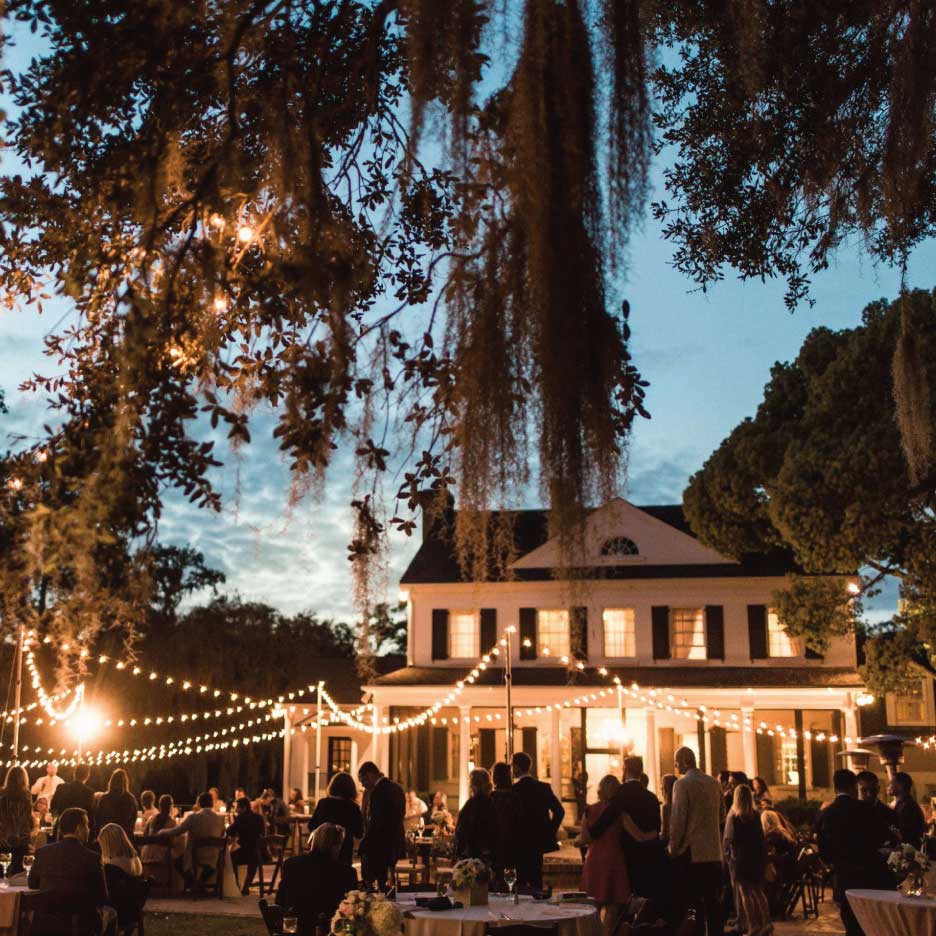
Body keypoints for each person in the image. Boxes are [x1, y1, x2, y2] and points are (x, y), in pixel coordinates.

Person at [580, 756, 665, 911]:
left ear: (625, 771)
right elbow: (656, 830)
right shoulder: (651, 797)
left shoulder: (619, 795)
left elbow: (600, 826)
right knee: (643, 904)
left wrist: (588, 825)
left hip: (624, 856)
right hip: (648, 856)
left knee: (621, 907)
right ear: (641, 771)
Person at [817, 768, 893, 936]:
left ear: (835, 788)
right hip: (869, 876)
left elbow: (823, 852)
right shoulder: (865, 810)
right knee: (870, 924)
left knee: (850, 923)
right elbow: (881, 838)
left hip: (843, 878)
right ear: (853, 787)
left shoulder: (826, 814)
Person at [28, 807, 115, 936]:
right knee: (112, 914)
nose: (89, 829)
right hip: (79, 925)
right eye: (87, 825)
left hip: (46, 923)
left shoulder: (43, 853)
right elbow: (102, 897)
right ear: (79, 829)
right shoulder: (92, 858)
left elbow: (33, 884)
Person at [669, 746, 725, 936]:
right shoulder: (714, 783)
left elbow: (678, 821)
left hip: (692, 853)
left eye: (676, 761)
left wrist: (673, 848)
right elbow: (721, 816)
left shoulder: (682, 784)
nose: (675, 765)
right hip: (713, 851)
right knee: (713, 902)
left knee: (693, 903)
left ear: (685, 761)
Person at [277, 823, 357, 936]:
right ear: (335, 846)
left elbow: (280, 901)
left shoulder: (291, 864)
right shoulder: (346, 872)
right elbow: (350, 911)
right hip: (330, 930)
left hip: (296, 929)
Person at [581, 775, 631, 932]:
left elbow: (585, 838)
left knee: (591, 908)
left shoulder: (589, 810)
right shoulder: (620, 812)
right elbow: (632, 834)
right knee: (612, 909)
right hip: (615, 860)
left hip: (594, 861)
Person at [511, 750, 564, 890]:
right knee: (536, 879)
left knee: (520, 881)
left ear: (516, 767)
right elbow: (559, 811)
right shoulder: (543, 787)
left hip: (519, 842)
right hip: (538, 840)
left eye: (512, 766)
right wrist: (549, 831)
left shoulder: (513, 790)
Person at [724, 784, 772, 936]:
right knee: (758, 891)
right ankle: (767, 923)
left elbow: (728, 839)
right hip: (757, 857)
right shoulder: (756, 815)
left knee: (745, 894)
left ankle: (753, 925)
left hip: (741, 858)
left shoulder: (735, 817)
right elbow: (761, 838)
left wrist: (727, 854)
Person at [159, 791, 227, 888]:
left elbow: (177, 831)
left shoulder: (194, 817)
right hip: (214, 857)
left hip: (196, 856)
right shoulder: (220, 819)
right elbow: (222, 836)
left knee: (176, 860)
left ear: (199, 803)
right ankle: (199, 885)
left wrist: (162, 831)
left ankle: (193, 884)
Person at [358, 762, 405, 888]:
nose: (363, 785)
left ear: (370, 775)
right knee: (388, 882)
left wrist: (365, 842)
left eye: (362, 780)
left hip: (379, 844)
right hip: (395, 841)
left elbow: (377, 821)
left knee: (378, 882)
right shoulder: (398, 788)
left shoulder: (377, 791)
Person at [99, 822, 147, 933]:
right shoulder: (135, 859)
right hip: (133, 909)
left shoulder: (112, 865)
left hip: (119, 911)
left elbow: (107, 892)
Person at [309, 771, 364, 866]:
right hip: (344, 850)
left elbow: (312, 825)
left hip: (322, 850)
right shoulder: (353, 807)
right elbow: (359, 833)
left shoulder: (323, 803)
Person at [454, 768, 497, 862]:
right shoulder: (493, 802)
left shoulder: (472, 804)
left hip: (473, 854)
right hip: (492, 854)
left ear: (473, 785)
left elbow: (462, 830)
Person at [227, 795, 266, 894]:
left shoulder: (241, 818)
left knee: (229, 858)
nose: (236, 810)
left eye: (237, 807)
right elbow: (262, 834)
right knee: (253, 858)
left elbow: (229, 832)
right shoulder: (259, 817)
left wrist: (235, 825)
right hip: (261, 853)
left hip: (247, 852)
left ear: (243, 807)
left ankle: (236, 884)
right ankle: (246, 885)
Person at [761, 810, 797, 917]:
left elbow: (771, 856)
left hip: (781, 873)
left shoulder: (771, 836)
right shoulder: (784, 834)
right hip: (788, 871)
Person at [490, 762, 520, 885]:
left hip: (495, 844)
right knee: (510, 880)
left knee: (496, 879)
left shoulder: (491, 797)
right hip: (512, 843)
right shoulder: (515, 797)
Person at [0, 766, 34, 874]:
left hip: (4, 836)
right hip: (21, 837)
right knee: (18, 869)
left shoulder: (2, 793)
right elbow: (28, 816)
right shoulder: (26, 794)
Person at [856, 770, 899, 847]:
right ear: (856, 790)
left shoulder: (889, 814)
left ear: (878, 789)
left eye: (873, 790)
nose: (869, 794)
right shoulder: (851, 813)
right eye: (864, 790)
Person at [95, 768, 138, 840]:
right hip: (125, 837)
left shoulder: (104, 798)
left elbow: (98, 818)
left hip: (108, 837)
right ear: (125, 782)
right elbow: (133, 819)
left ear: (112, 781)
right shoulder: (130, 799)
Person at [889, 771, 926, 848]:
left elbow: (904, 835)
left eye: (892, 783)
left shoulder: (909, 807)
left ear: (900, 786)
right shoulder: (902, 804)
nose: (889, 786)